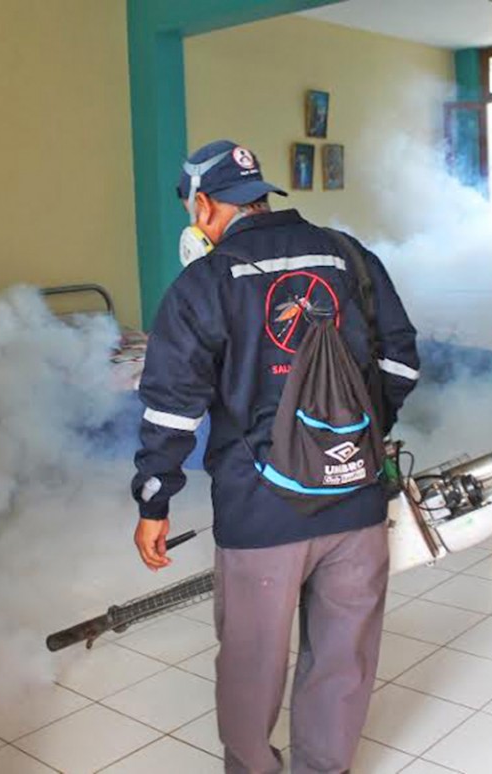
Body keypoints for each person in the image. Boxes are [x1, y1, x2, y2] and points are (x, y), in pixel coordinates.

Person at [131, 139, 419, 774]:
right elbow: (400, 362)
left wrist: (154, 500)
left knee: (252, 660)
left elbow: (172, 409)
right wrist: (354, 436)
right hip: (357, 501)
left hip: (260, 511)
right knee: (343, 655)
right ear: (260, 195)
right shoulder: (349, 257)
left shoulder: (204, 283)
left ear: (204, 206)